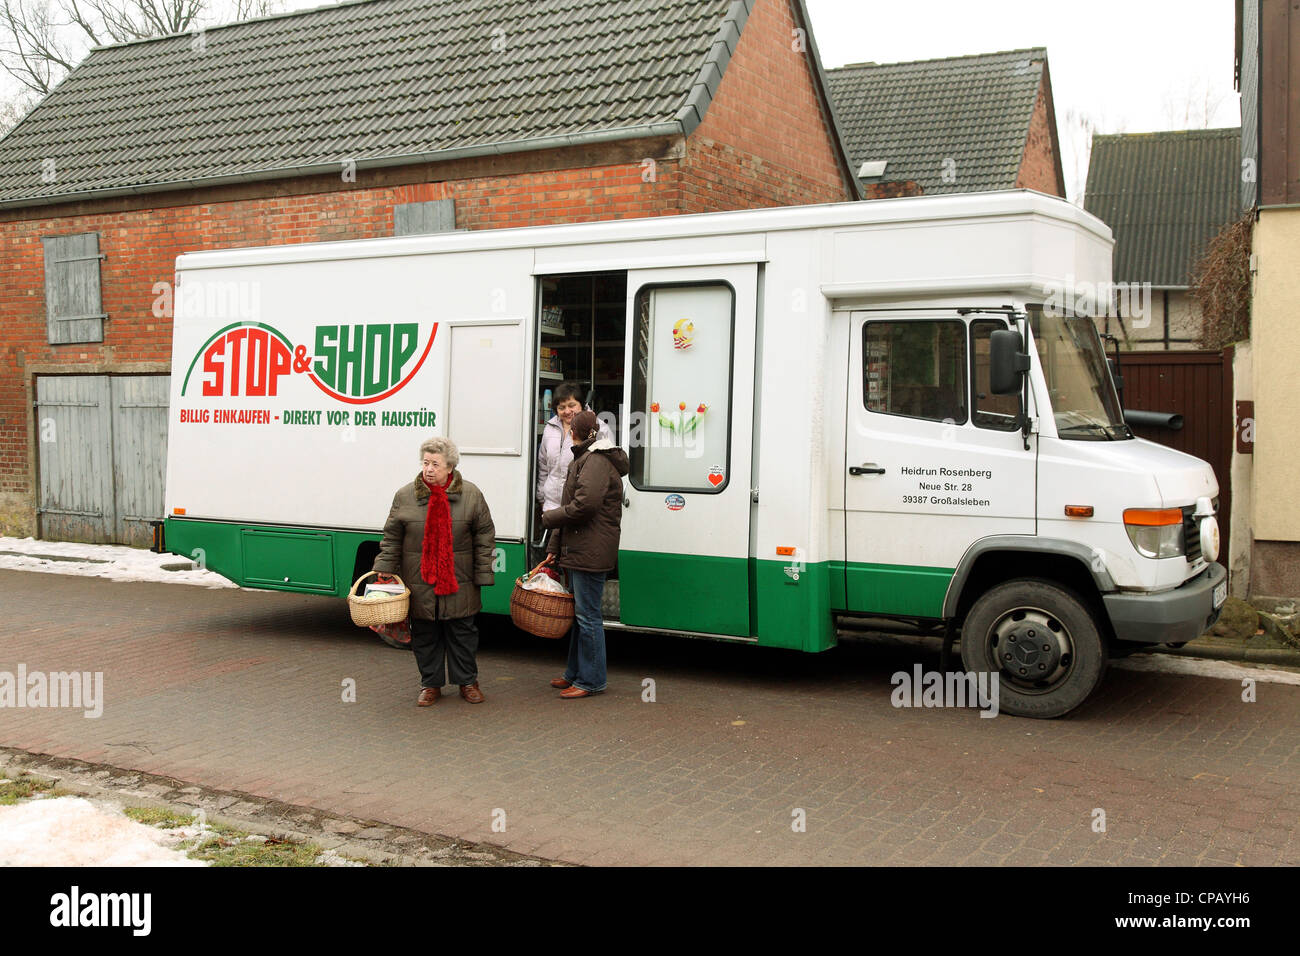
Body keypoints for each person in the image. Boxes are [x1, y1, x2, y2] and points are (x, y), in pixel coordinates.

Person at [374, 437, 496, 707]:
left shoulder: (471, 495)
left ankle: (468, 682)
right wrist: (383, 570)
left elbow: (485, 535)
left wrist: (482, 573)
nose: (428, 469)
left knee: (462, 633)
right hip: (420, 581)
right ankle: (431, 684)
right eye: (425, 462)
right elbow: (392, 538)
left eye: (435, 464)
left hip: (459, 580)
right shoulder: (405, 496)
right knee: (425, 634)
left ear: (449, 466)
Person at [541, 410, 629, 699]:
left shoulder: (594, 461)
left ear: (574, 432)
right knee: (581, 616)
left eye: (569, 427)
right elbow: (573, 505)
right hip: (581, 548)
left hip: (590, 551)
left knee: (588, 617)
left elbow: (583, 507)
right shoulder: (586, 458)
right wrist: (554, 548)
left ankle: (591, 681)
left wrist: (550, 518)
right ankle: (575, 674)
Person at [536, 381, 613, 514]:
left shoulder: (598, 428)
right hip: (551, 506)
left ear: (582, 405)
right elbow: (543, 466)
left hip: (580, 507)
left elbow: (607, 470)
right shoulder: (550, 428)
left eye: (572, 405)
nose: (567, 411)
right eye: (561, 407)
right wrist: (542, 498)